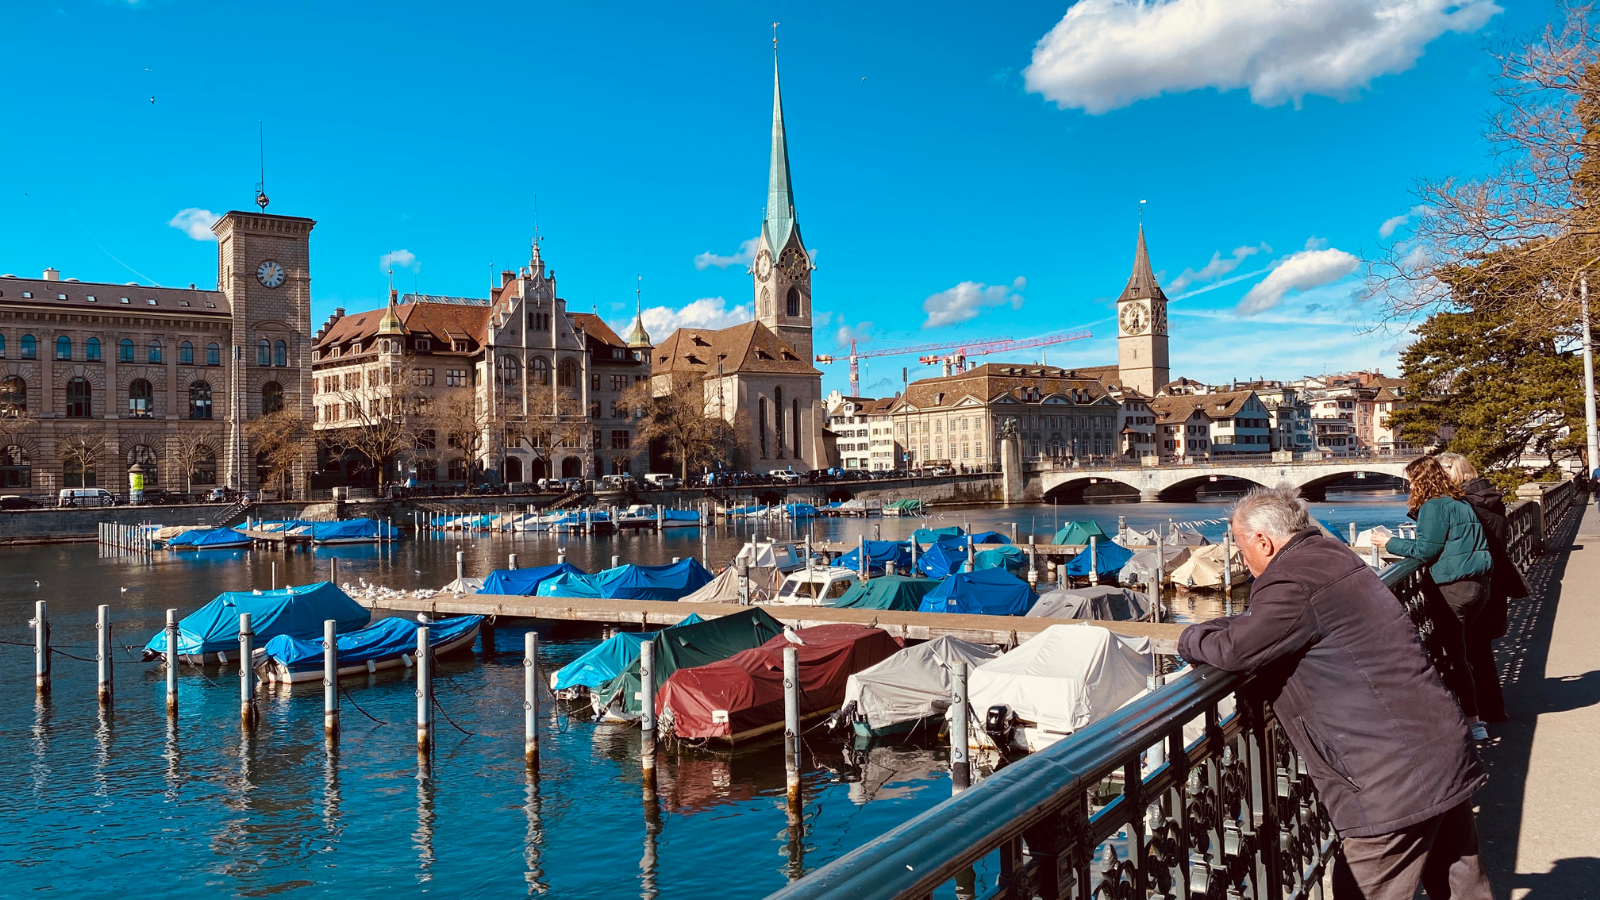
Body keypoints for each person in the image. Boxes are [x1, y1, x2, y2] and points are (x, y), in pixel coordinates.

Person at [1179, 486, 1490, 900]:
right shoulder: (1335, 556)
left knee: (1364, 888)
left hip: (1388, 778)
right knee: (1462, 887)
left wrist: (1189, 636)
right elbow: (1264, 630)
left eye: (1239, 546)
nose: (1240, 558)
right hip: (1438, 748)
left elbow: (1235, 650)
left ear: (1262, 540)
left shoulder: (1290, 579)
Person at [1373, 455, 1494, 740]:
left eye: (1412, 481)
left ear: (1420, 481)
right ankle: (1476, 711)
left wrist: (1387, 542)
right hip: (1480, 585)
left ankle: (1471, 721)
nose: (1410, 486)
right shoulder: (1460, 503)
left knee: (1455, 656)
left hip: (1452, 588)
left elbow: (1426, 551)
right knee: (1465, 650)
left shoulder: (1434, 506)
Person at [1436, 453, 1531, 723]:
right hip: (1492, 579)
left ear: (1450, 474)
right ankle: (1493, 709)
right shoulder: (1488, 499)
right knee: (1480, 650)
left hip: (1470, 580)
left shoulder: (1464, 505)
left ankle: (1475, 712)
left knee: (1467, 651)